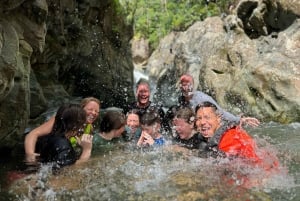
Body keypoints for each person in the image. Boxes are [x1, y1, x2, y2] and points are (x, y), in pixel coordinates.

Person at [195, 101, 279, 170]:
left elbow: (240, 168)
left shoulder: (230, 138)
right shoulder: (209, 139)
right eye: (199, 118)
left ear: (218, 119)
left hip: (263, 176)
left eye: (207, 117)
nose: (202, 122)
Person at [24, 97, 100, 163]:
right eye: (90, 109)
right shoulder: (61, 120)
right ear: (81, 109)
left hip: (62, 154)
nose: (94, 113)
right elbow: (33, 134)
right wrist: (30, 154)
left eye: (97, 111)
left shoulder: (89, 128)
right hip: (43, 154)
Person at [178, 74, 260, 127]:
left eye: (188, 85)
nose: (185, 88)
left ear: (193, 86)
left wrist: (239, 120)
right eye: (183, 85)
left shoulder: (202, 99)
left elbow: (220, 112)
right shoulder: (181, 98)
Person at [39, 104, 93, 168]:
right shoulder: (64, 146)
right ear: (75, 125)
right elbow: (66, 172)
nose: (82, 126)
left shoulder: (49, 137)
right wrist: (87, 150)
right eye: (82, 123)